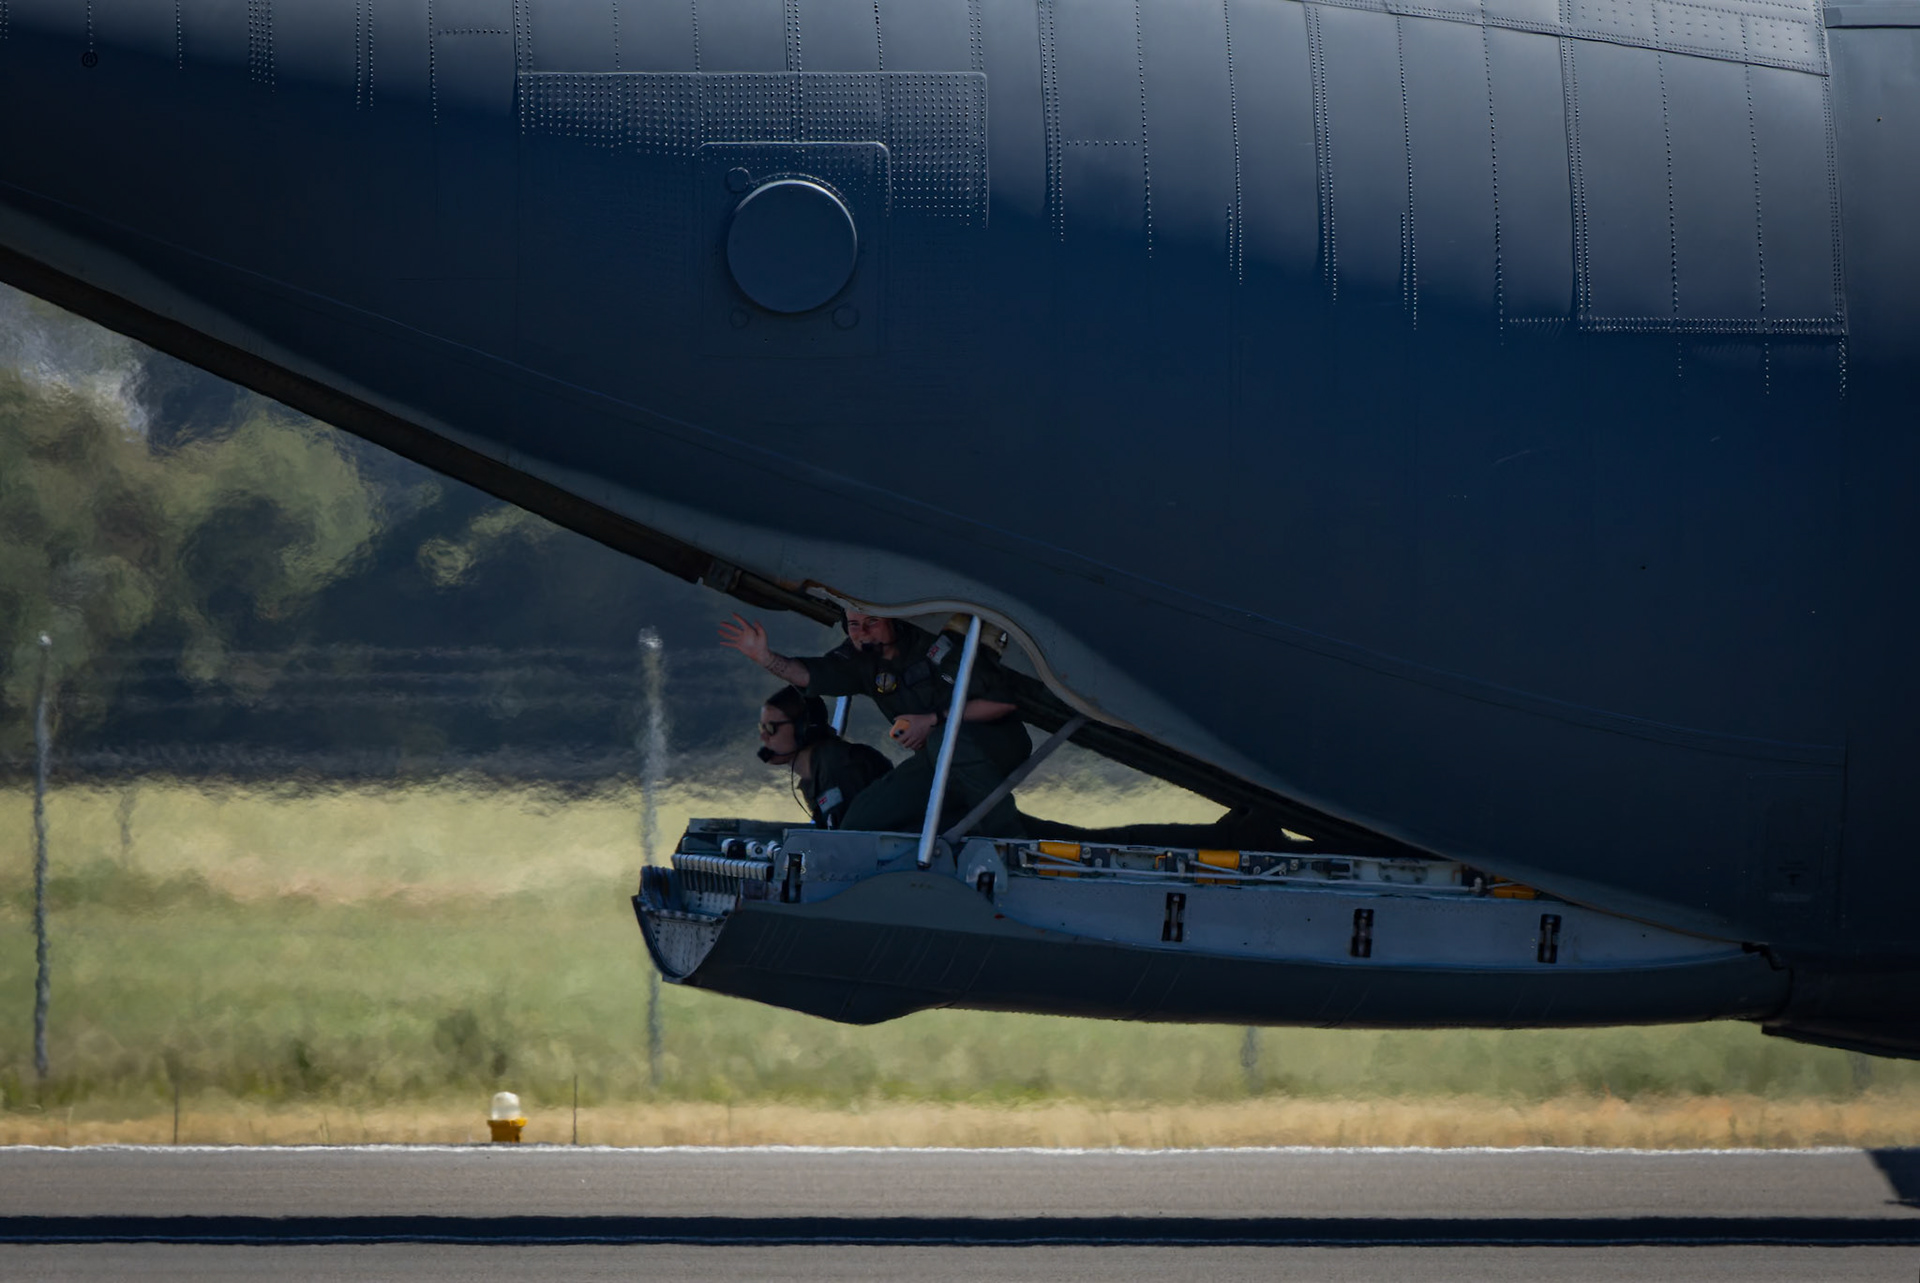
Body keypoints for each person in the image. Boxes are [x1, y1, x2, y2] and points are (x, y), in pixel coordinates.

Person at [719, 610, 1031, 835]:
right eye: (854, 625)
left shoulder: (934, 648)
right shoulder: (862, 661)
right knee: (863, 821)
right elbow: (808, 674)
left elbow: (1003, 702)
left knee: (941, 740)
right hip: (940, 760)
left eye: (872, 623)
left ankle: (1007, 842)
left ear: (894, 620)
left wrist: (934, 720)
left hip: (996, 744)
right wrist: (765, 657)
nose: (863, 633)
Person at [756, 685, 893, 829]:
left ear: (802, 728)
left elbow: (852, 839)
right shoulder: (816, 773)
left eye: (771, 728)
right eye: (762, 728)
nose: (763, 737)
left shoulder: (841, 768)